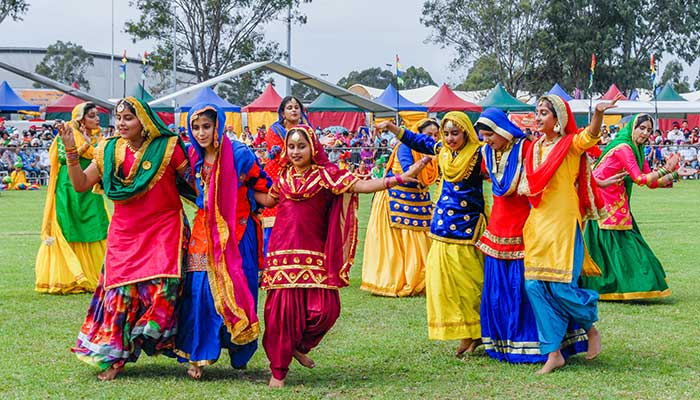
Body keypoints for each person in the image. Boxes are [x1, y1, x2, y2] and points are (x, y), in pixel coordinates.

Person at [255, 125, 428, 388]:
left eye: (301, 146)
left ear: (313, 147)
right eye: (291, 146)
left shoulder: (325, 175)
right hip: (282, 255)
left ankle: (298, 346)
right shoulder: (283, 176)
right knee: (280, 315)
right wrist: (236, 187)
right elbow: (269, 201)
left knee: (326, 311)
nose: (296, 151)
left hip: (315, 255)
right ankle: (278, 372)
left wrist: (400, 178)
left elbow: (361, 185)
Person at [65, 97, 195, 381]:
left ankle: (176, 347)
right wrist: (71, 152)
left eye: (128, 118)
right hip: (125, 233)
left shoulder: (168, 148)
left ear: (144, 121)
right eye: (119, 118)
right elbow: (80, 185)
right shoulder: (107, 150)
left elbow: (196, 186)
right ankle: (114, 358)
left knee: (166, 286)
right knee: (120, 295)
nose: (122, 124)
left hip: (164, 228)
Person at [519, 93, 621, 374]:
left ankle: (590, 328)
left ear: (558, 118)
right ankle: (554, 353)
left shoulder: (570, 145)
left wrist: (598, 113)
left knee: (561, 286)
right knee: (534, 286)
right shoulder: (534, 147)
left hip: (564, 223)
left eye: (543, 113)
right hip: (538, 222)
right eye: (537, 112)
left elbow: (590, 136)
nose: (538, 118)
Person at [475, 108, 586, 363]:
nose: (487, 140)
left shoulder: (527, 148)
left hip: (528, 228)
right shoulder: (486, 153)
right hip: (497, 230)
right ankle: (503, 343)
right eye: (483, 136)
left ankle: (547, 345)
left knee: (533, 288)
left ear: (503, 130)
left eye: (490, 135)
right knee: (498, 292)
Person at [377, 111, 486, 357]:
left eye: (454, 133)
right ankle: (465, 333)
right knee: (443, 283)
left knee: (470, 283)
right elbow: (417, 141)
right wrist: (392, 128)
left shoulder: (480, 154)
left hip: (467, 225)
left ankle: (479, 331)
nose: (449, 138)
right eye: (446, 133)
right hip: (442, 225)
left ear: (466, 132)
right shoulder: (443, 151)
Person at [175, 103, 269, 379]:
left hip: (238, 233)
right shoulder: (193, 154)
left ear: (219, 126)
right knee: (199, 291)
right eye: (196, 127)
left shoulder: (240, 154)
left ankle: (239, 349)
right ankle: (198, 354)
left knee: (241, 290)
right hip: (204, 232)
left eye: (207, 126)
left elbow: (263, 185)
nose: (201, 133)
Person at [581, 114, 696, 300]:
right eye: (642, 128)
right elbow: (639, 179)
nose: (645, 133)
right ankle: (618, 285)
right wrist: (666, 168)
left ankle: (618, 285)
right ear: (632, 128)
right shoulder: (625, 148)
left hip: (617, 200)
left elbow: (650, 181)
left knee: (623, 242)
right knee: (618, 243)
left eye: (649, 130)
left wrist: (675, 174)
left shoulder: (638, 149)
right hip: (604, 200)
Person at [35, 103, 110, 294]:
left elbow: (98, 158)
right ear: (81, 119)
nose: (96, 119)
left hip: (90, 186)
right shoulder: (68, 132)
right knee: (70, 226)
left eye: (97, 115)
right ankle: (72, 276)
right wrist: (84, 143)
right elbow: (62, 157)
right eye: (92, 116)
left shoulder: (98, 136)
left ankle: (95, 273)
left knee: (95, 224)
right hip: (69, 187)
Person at [361, 118, 440, 297]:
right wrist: (427, 159)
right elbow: (408, 171)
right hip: (396, 197)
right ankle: (399, 279)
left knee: (419, 238)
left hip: (418, 197)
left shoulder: (434, 151)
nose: (433, 138)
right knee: (398, 242)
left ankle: (420, 277)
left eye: (436, 135)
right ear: (418, 134)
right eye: (429, 135)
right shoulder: (407, 147)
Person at [261, 96, 310, 254]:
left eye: (297, 107)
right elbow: (282, 157)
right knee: (274, 221)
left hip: (301, 178)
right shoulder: (274, 131)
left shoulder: (307, 130)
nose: (294, 110)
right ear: (282, 113)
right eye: (290, 107)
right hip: (277, 178)